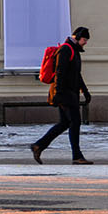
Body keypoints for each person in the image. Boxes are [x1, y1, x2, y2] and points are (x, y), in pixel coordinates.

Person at [30, 26, 94, 165]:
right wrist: (58, 94)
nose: (85, 43)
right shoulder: (66, 50)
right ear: (77, 37)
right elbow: (60, 72)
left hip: (70, 93)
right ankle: (77, 156)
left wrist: (85, 90)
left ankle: (38, 146)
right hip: (65, 93)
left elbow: (76, 74)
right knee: (75, 122)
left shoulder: (74, 50)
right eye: (84, 39)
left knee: (65, 123)